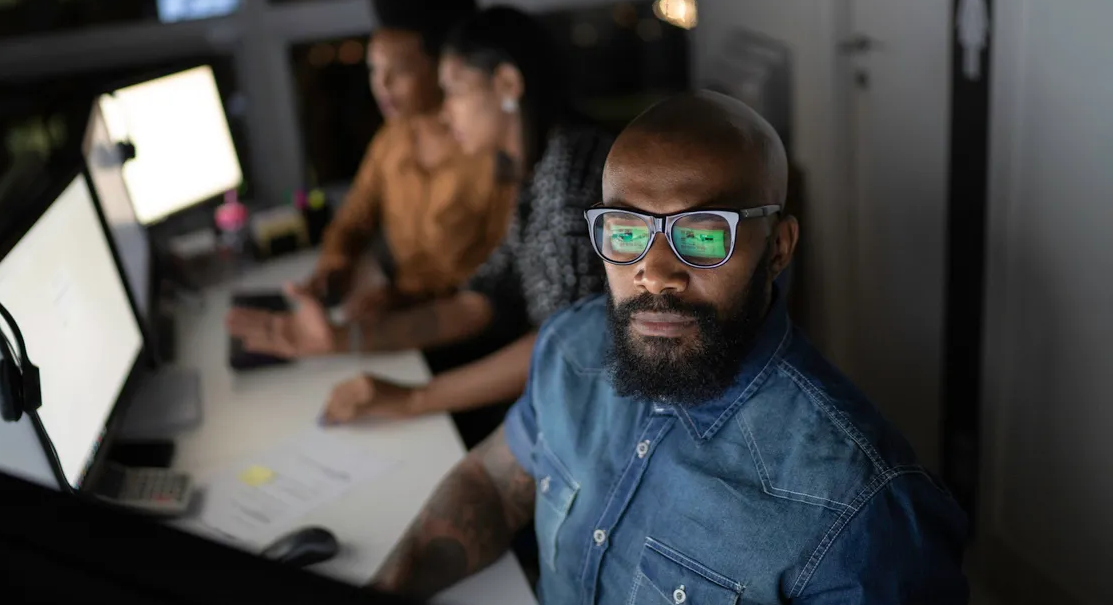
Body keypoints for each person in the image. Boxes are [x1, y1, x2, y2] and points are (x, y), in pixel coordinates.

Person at [364, 91, 970, 604]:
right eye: (626, 232)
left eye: (703, 235)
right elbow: (494, 485)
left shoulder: (862, 508)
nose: (654, 273)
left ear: (779, 249)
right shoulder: (570, 349)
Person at [226, 6, 612, 445]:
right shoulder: (530, 171)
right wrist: (341, 338)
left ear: (507, 85)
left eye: (455, 92)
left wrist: (412, 399)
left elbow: (567, 348)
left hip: (589, 419)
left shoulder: (573, 177)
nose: (446, 115)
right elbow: (480, 302)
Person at [303, 0, 513, 321]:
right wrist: (336, 262)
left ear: (445, 68)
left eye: (398, 72)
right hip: (395, 312)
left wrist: (408, 299)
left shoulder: (490, 151)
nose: (381, 85)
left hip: (456, 327)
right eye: (374, 70)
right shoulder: (393, 137)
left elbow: (500, 281)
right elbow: (354, 220)